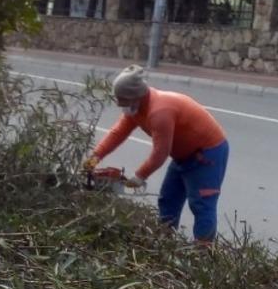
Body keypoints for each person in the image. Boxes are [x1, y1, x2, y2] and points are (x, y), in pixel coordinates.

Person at [83, 65, 229, 245]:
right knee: (168, 199)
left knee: (202, 203)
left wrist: (139, 176)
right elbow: (117, 133)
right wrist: (95, 156)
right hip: (183, 156)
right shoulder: (136, 109)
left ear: (135, 96)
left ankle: (204, 252)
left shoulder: (159, 112)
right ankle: (164, 242)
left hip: (208, 154)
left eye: (122, 100)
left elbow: (160, 153)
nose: (120, 105)